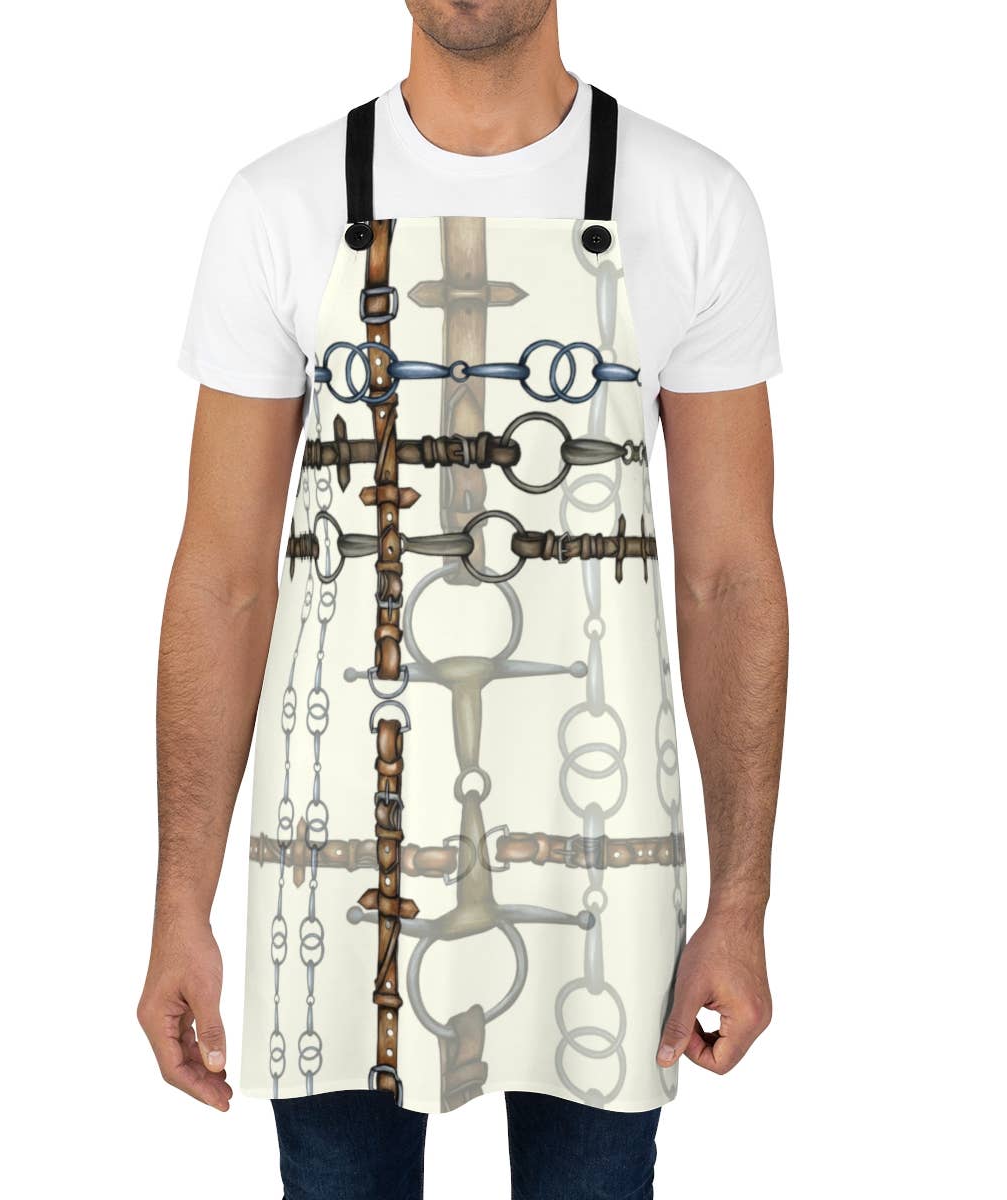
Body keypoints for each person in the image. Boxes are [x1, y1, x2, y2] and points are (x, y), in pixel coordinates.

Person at [137, 2, 787, 1196]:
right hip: (335, 869)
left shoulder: (694, 203)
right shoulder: (278, 207)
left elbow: (728, 576)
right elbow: (222, 577)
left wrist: (740, 906)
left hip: (606, 875)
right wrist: (181, 903)